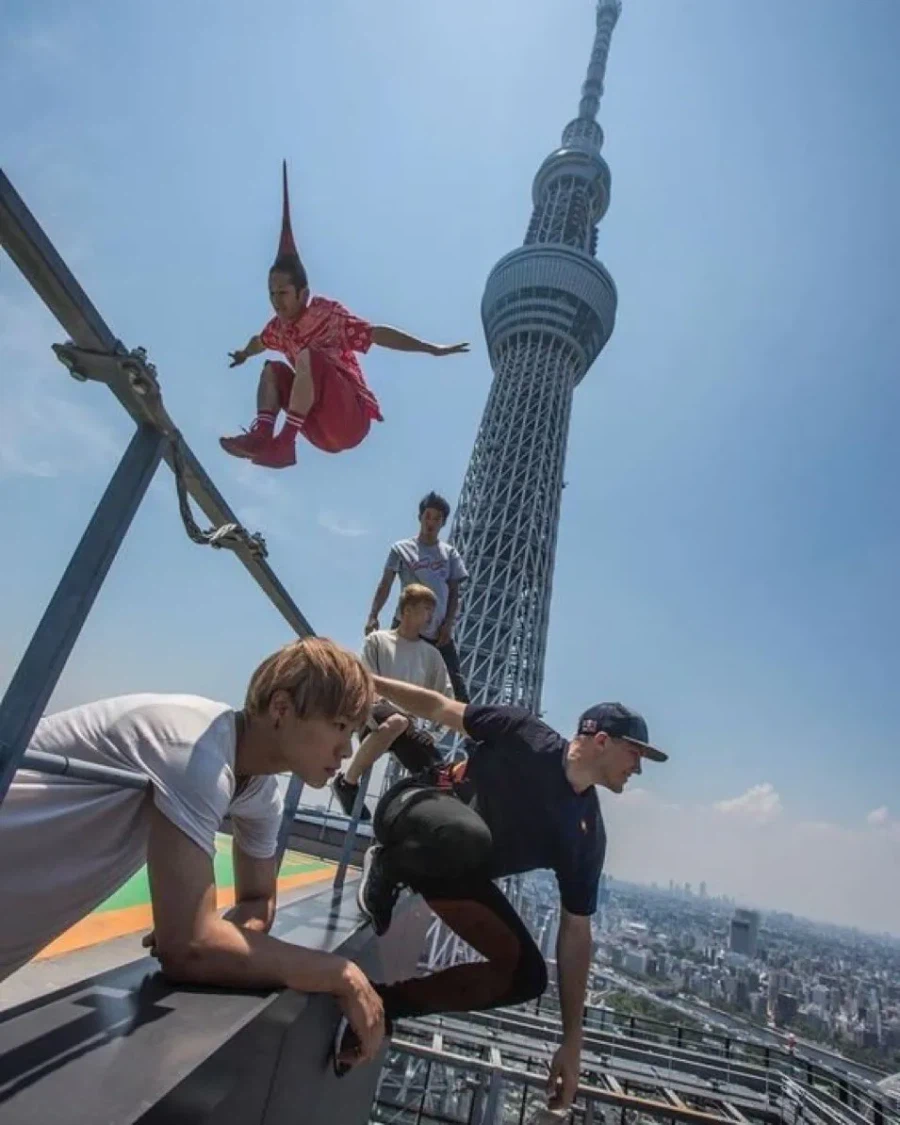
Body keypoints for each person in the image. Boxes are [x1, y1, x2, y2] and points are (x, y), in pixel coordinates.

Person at [0, 637, 386, 1071]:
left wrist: (220, 939)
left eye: (353, 733)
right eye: (339, 726)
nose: (349, 751)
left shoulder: (259, 792)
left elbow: (257, 903)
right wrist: (338, 973)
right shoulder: (196, 750)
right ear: (281, 708)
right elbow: (188, 948)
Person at [336, 677, 669, 1112]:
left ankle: (387, 1003)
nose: (638, 769)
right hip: (416, 809)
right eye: (635, 753)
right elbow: (438, 707)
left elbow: (575, 931)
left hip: (457, 872)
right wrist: (368, 680)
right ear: (601, 740)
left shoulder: (586, 834)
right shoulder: (525, 732)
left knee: (527, 976)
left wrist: (572, 1040)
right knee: (472, 836)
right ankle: (388, 864)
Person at [220, 163, 469, 469]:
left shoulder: (326, 314)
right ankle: (262, 435)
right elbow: (259, 342)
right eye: (271, 294)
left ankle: (285, 442)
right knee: (271, 369)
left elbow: (376, 334)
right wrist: (245, 353)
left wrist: (432, 348)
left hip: (349, 418)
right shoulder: (277, 329)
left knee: (308, 356)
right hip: (317, 427)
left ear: (303, 294)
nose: (276, 302)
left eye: (282, 294)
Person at [331, 583, 452, 821]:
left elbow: (444, 698)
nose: (431, 616)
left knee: (439, 776)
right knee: (396, 721)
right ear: (407, 610)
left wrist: (433, 733)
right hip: (373, 716)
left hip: (409, 727)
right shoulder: (377, 641)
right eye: (426, 609)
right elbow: (366, 682)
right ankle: (347, 783)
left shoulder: (431, 656)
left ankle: (401, 821)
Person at [366, 490, 470, 702]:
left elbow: (453, 594)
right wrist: (373, 615)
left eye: (437, 518)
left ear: (443, 523)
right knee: (392, 677)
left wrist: (448, 625)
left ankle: (472, 731)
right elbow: (385, 584)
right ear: (420, 517)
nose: (431, 522)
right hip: (406, 622)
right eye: (427, 516)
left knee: (455, 686)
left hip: (437, 629)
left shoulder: (449, 554)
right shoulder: (401, 549)